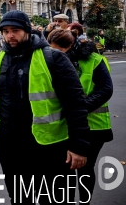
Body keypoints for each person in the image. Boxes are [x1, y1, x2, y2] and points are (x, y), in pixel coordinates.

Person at [0, 11, 90, 204]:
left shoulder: (54, 58)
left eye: (15, 30)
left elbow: (76, 104)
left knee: (56, 199)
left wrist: (78, 146)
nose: (9, 36)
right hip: (10, 145)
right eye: (5, 31)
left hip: (48, 147)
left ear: (28, 31)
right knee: (20, 197)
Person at [48, 29, 113, 204]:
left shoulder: (94, 60)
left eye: (58, 51)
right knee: (66, 169)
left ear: (70, 46)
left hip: (93, 126)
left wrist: (79, 108)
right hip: (65, 126)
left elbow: (105, 90)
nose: (54, 54)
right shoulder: (54, 61)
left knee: (85, 169)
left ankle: (85, 201)